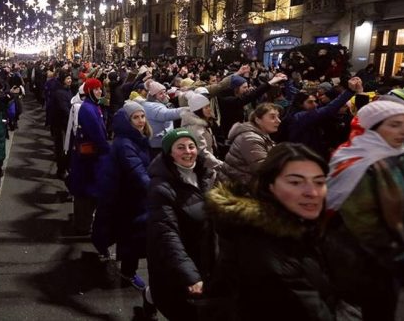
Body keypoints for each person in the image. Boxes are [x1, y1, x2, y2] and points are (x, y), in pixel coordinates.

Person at [206, 143, 338, 320]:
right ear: (270, 186)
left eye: (319, 181)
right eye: (295, 182)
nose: (312, 192)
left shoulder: (307, 226)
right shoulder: (266, 254)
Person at [325, 100, 404, 321]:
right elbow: (363, 223)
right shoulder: (357, 163)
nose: (403, 131)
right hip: (368, 261)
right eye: (395, 125)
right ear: (373, 128)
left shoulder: (397, 155)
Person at [145, 128, 215, 321]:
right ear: (169, 153)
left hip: (202, 253)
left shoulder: (204, 174)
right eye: (181, 147)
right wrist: (190, 275)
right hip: (178, 262)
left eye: (191, 146)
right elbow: (167, 235)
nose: (188, 151)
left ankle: (150, 295)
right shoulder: (161, 188)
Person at [97, 101, 152, 290]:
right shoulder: (126, 144)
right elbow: (137, 171)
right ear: (127, 121)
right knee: (131, 237)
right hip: (129, 198)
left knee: (129, 235)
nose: (141, 121)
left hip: (131, 196)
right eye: (135, 117)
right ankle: (128, 272)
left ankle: (126, 267)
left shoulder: (134, 138)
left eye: (142, 116)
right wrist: (153, 188)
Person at [68, 78, 110, 235]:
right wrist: (108, 150)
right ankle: (82, 224)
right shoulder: (88, 109)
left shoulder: (93, 106)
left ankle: (83, 222)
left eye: (100, 89)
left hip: (90, 157)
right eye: (96, 89)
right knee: (86, 192)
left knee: (87, 192)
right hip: (88, 158)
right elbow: (97, 135)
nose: (99, 91)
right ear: (89, 91)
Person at [220, 103, 282, 193]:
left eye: (278, 117)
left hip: (242, 186)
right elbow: (264, 169)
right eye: (272, 117)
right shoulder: (250, 138)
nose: (278, 121)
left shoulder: (261, 134)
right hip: (235, 191)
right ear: (258, 120)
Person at [142, 81, 187, 158]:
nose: (164, 95)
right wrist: (187, 110)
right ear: (153, 96)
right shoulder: (152, 106)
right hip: (157, 145)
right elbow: (166, 114)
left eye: (165, 92)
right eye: (160, 93)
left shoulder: (154, 104)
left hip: (160, 142)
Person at [181, 92, 223, 169]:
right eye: (206, 108)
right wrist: (220, 165)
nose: (210, 109)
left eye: (209, 106)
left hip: (209, 162)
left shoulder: (204, 122)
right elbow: (202, 152)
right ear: (198, 111)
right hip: (202, 166)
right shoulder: (195, 128)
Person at [47, 72, 73, 179]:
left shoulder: (67, 90)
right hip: (61, 125)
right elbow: (64, 109)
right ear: (63, 80)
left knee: (65, 148)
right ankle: (61, 170)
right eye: (68, 78)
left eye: (70, 78)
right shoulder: (59, 93)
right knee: (62, 148)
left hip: (66, 124)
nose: (70, 80)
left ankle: (64, 168)